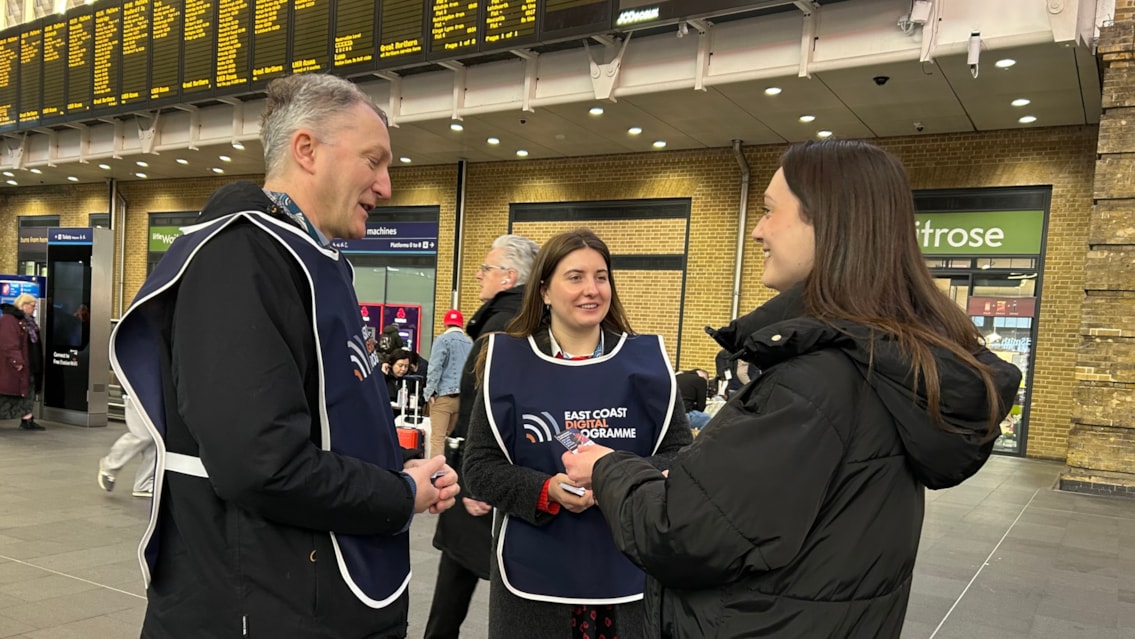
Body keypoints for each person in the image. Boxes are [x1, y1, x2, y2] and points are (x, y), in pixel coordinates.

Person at [562, 140, 1022, 638]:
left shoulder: (817, 380)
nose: (757, 230)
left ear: (827, 221)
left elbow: (682, 535)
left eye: (768, 210)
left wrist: (607, 468)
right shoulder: (883, 362)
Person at [109, 73, 459, 639]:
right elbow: (261, 464)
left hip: (309, 595)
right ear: (306, 150)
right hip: (261, 604)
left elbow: (324, 429)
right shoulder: (240, 258)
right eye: (374, 160)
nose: (387, 185)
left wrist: (401, 472)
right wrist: (398, 494)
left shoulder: (311, 260)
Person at [462, 228, 693, 639]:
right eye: (575, 277)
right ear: (545, 291)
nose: (592, 289)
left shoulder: (646, 366)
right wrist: (546, 489)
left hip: (627, 564)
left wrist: (613, 476)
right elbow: (479, 468)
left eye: (601, 276)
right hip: (535, 573)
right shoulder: (507, 362)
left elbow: (680, 457)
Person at [423, 233, 539, 639]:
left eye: (486, 269)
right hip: (508, 476)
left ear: (508, 277)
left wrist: (476, 481)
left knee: (458, 583)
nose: (478, 276)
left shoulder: (499, 329)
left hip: (484, 478)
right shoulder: (527, 321)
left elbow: (484, 409)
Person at [423, 309, 473, 463]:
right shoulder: (470, 343)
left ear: (446, 324)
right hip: (463, 399)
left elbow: (434, 368)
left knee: (438, 440)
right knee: (452, 437)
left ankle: (437, 476)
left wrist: (429, 392)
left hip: (443, 397)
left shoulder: (442, 340)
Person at [97, 392, 157, 498]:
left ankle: (144, 484)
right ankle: (109, 465)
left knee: (157, 440)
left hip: (155, 393)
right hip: (136, 392)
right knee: (142, 435)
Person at [0, 294, 44, 430]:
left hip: (29, 363)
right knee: (8, 392)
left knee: (27, 390)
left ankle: (27, 419)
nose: (34, 308)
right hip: (15, 365)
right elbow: (9, 343)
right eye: (32, 305)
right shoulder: (9, 320)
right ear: (24, 305)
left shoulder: (27, 321)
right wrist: (17, 361)